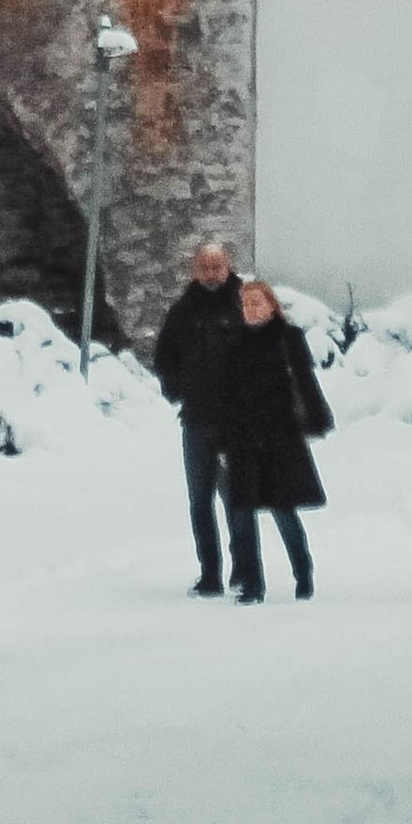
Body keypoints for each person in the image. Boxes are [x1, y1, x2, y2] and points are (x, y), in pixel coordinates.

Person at [216, 278, 332, 602]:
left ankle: (303, 572)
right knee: (243, 513)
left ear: (271, 305)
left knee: (283, 509)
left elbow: (305, 380)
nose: (251, 308)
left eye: (257, 302)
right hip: (242, 437)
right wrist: (223, 442)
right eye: (246, 303)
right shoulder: (234, 342)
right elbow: (226, 395)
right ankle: (253, 586)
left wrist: (317, 417)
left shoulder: (288, 338)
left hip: (279, 437)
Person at [153, 240, 244, 596]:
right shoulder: (183, 311)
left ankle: (242, 568)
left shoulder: (243, 305)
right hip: (196, 420)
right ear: (194, 270)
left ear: (228, 267)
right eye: (205, 267)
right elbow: (164, 357)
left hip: (234, 420)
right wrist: (178, 389)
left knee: (236, 497)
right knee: (200, 500)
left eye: (217, 266)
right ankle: (210, 574)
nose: (211, 274)